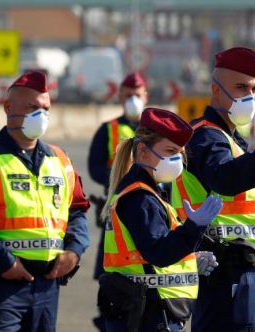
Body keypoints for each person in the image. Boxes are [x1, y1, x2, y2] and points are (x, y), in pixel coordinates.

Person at [170, 47, 255, 332]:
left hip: (239, 272)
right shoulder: (206, 136)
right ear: (216, 90)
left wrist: (252, 283)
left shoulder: (229, 138)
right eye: (241, 87)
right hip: (222, 270)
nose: (250, 96)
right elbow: (226, 179)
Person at [0, 70, 90, 332]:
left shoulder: (60, 159)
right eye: (32, 107)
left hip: (48, 286)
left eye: (46, 108)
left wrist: (74, 250)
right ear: (8, 107)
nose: (41, 115)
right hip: (1, 283)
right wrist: (5, 262)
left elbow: (78, 210)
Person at [98, 107, 223, 332]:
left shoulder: (148, 193)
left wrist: (190, 261)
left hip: (147, 310)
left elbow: (147, 253)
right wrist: (194, 227)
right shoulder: (140, 198)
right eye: (170, 151)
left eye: (180, 152)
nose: (178, 159)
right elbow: (158, 252)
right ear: (144, 152)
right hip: (147, 315)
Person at [88, 72, 147, 330]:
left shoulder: (154, 131)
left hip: (148, 212)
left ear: (146, 96)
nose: (133, 99)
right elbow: (94, 167)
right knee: (111, 278)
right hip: (115, 212)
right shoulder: (108, 129)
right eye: (128, 95)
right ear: (120, 96)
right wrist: (121, 181)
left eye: (138, 94)